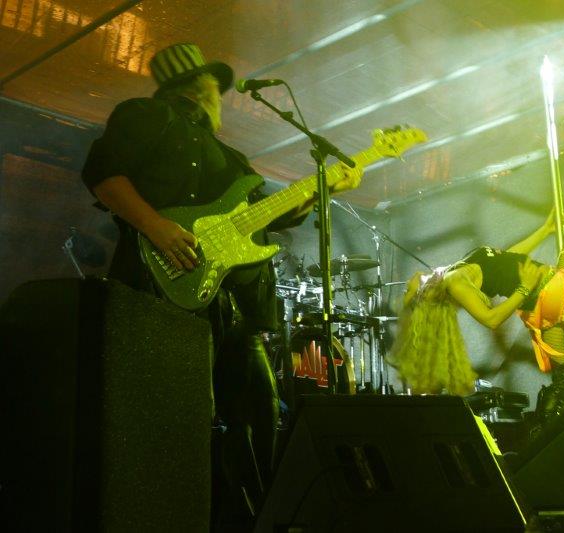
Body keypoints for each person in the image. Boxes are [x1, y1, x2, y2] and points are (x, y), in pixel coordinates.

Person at [81, 43, 362, 529]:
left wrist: (326, 187)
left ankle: (250, 520)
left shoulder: (231, 158)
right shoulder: (146, 115)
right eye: (215, 89)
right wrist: (156, 226)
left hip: (238, 307)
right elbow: (104, 177)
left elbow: (266, 218)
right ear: (199, 87)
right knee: (183, 418)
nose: (220, 100)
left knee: (256, 418)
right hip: (168, 294)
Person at [390, 210, 564, 427]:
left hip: (541, 307)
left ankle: (540, 430)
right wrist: (525, 288)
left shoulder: (457, 270)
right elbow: (492, 319)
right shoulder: (454, 281)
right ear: (424, 294)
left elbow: (506, 258)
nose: (410, 280)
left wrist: (545, 230)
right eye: (409, 290)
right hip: (551, 291)